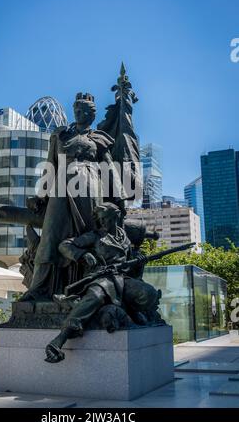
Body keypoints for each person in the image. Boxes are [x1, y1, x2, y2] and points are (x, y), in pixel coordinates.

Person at [20, 93, 125, 301]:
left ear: (91, 115)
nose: (78, 113)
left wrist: (119, 197)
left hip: (89, 190)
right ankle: (38, 288)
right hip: (61, 188)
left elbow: (109, 168)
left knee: (85, 236)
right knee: (50, 234)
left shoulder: (99, 139)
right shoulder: (61, 135)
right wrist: (40, 196)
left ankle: (82, 290)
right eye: (76, 109)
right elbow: (50, 166)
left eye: (83, 110)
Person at [45, 202, 161, 363]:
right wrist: (82, 254)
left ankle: (130, 311)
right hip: (100, 277)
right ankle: (59, 340)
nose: (103, 223)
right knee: (96, 296)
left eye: (106, 219)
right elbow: (64, 245)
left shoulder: (125, 239)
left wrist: (139, 264)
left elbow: (131, 271)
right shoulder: (95, 236)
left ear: (116, 216)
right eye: (101, 220)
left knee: (148, 293)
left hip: (122, 280)